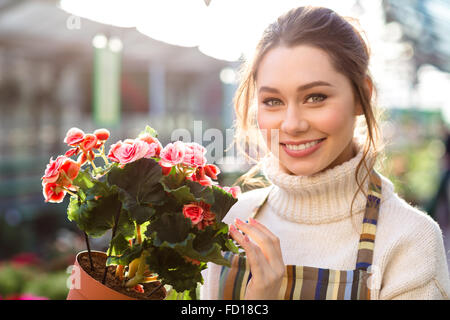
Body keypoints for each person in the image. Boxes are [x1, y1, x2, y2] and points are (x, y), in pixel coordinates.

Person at [200, 6, 450, 300]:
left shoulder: (409, 239)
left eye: (315, 97)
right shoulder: (236, 219)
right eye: (272, 101)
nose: (292, 124)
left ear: (361, 96)